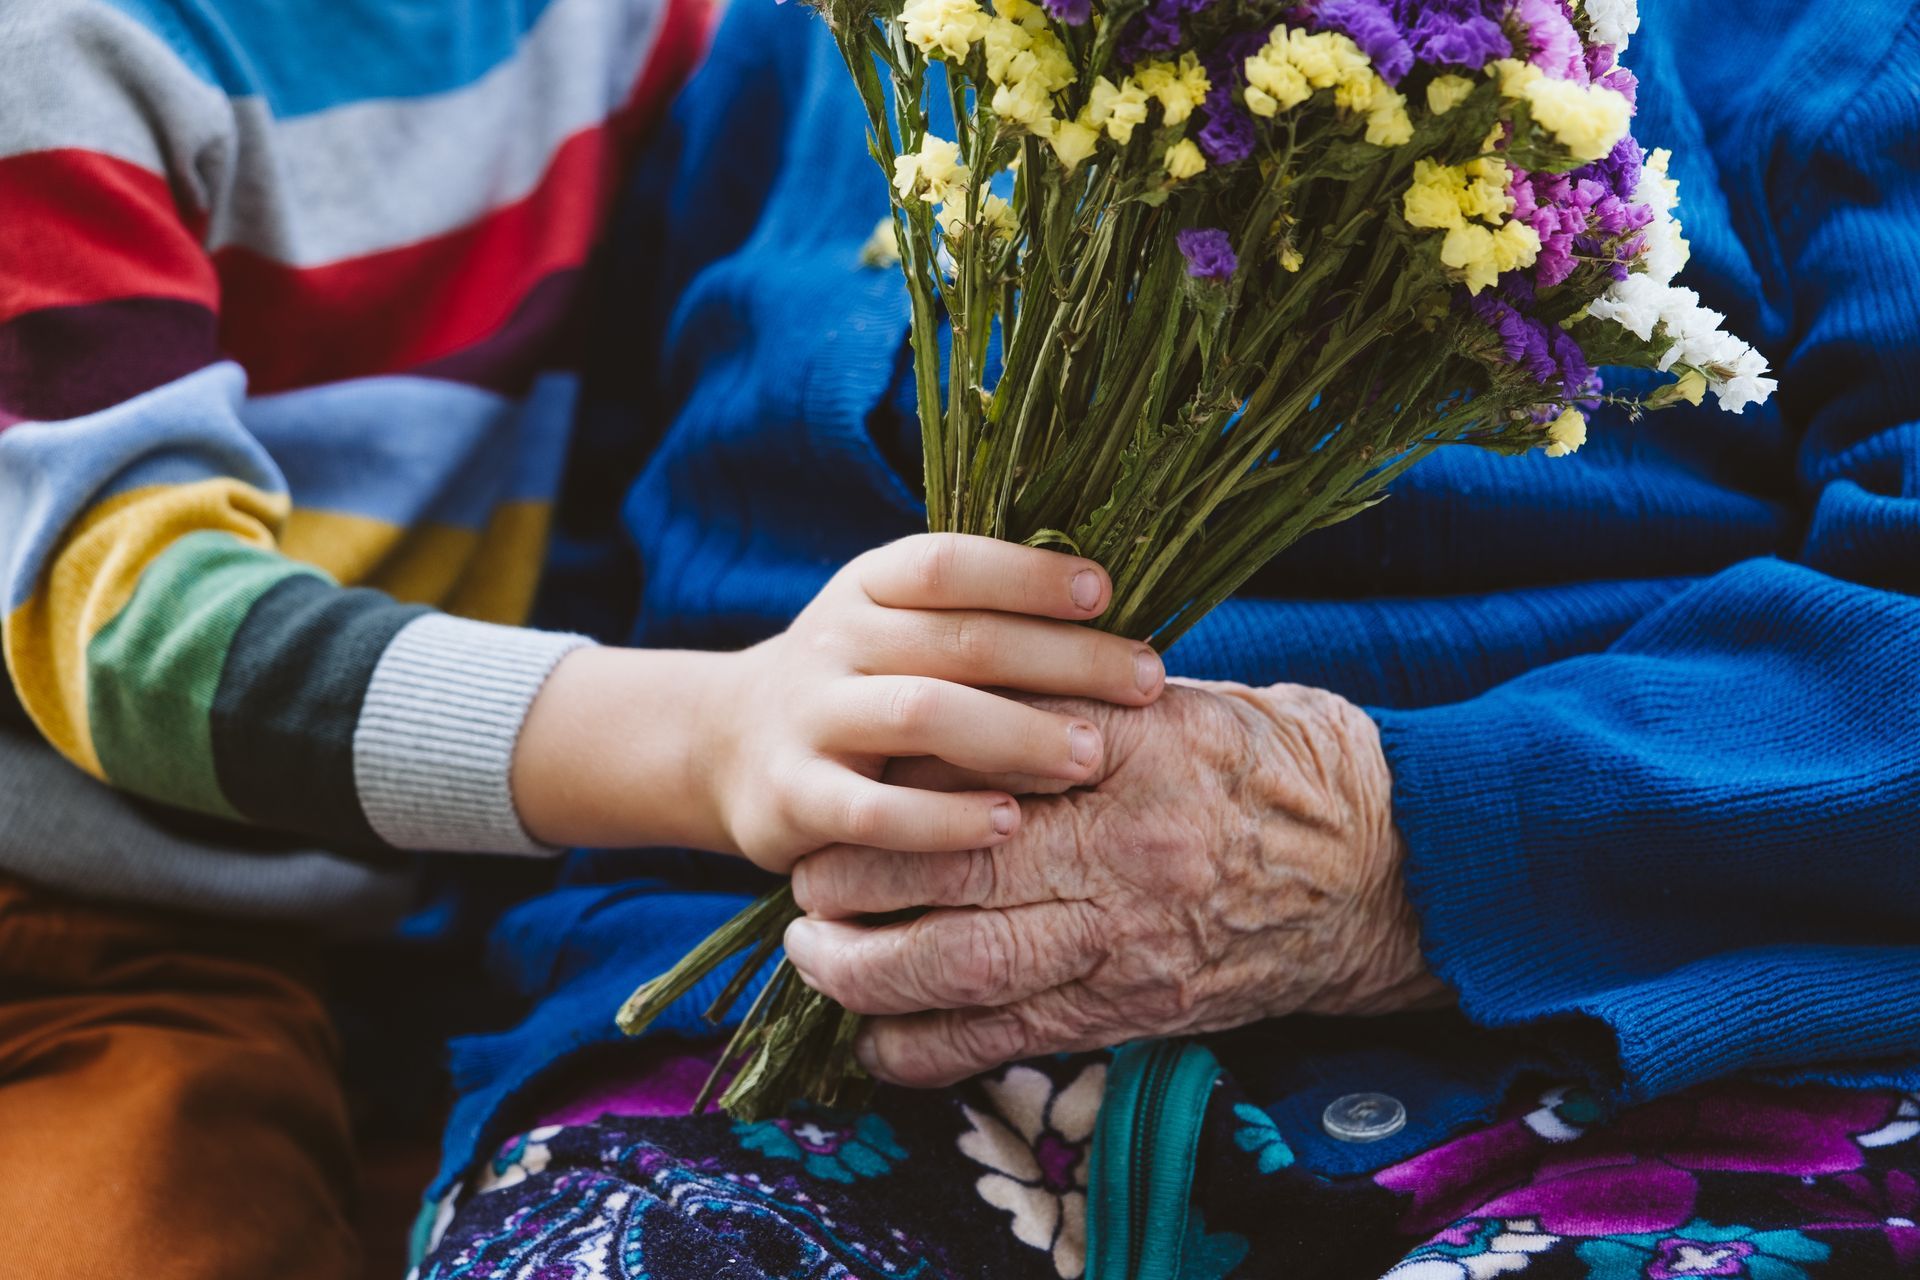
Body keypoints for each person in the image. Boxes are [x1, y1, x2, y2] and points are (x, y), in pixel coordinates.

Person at [414, 0, 1920, 1276]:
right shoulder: (792, 46)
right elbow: (593, 583)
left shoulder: (1822, 41)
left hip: (1631, 1060)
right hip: (783, 1035)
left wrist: (1399, 846)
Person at [0, 0, 1165, 1274]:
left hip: (373, 914)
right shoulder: (57, 54)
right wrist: (708, 733)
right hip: (86, 916)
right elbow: (135, 640)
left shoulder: (616, 34)